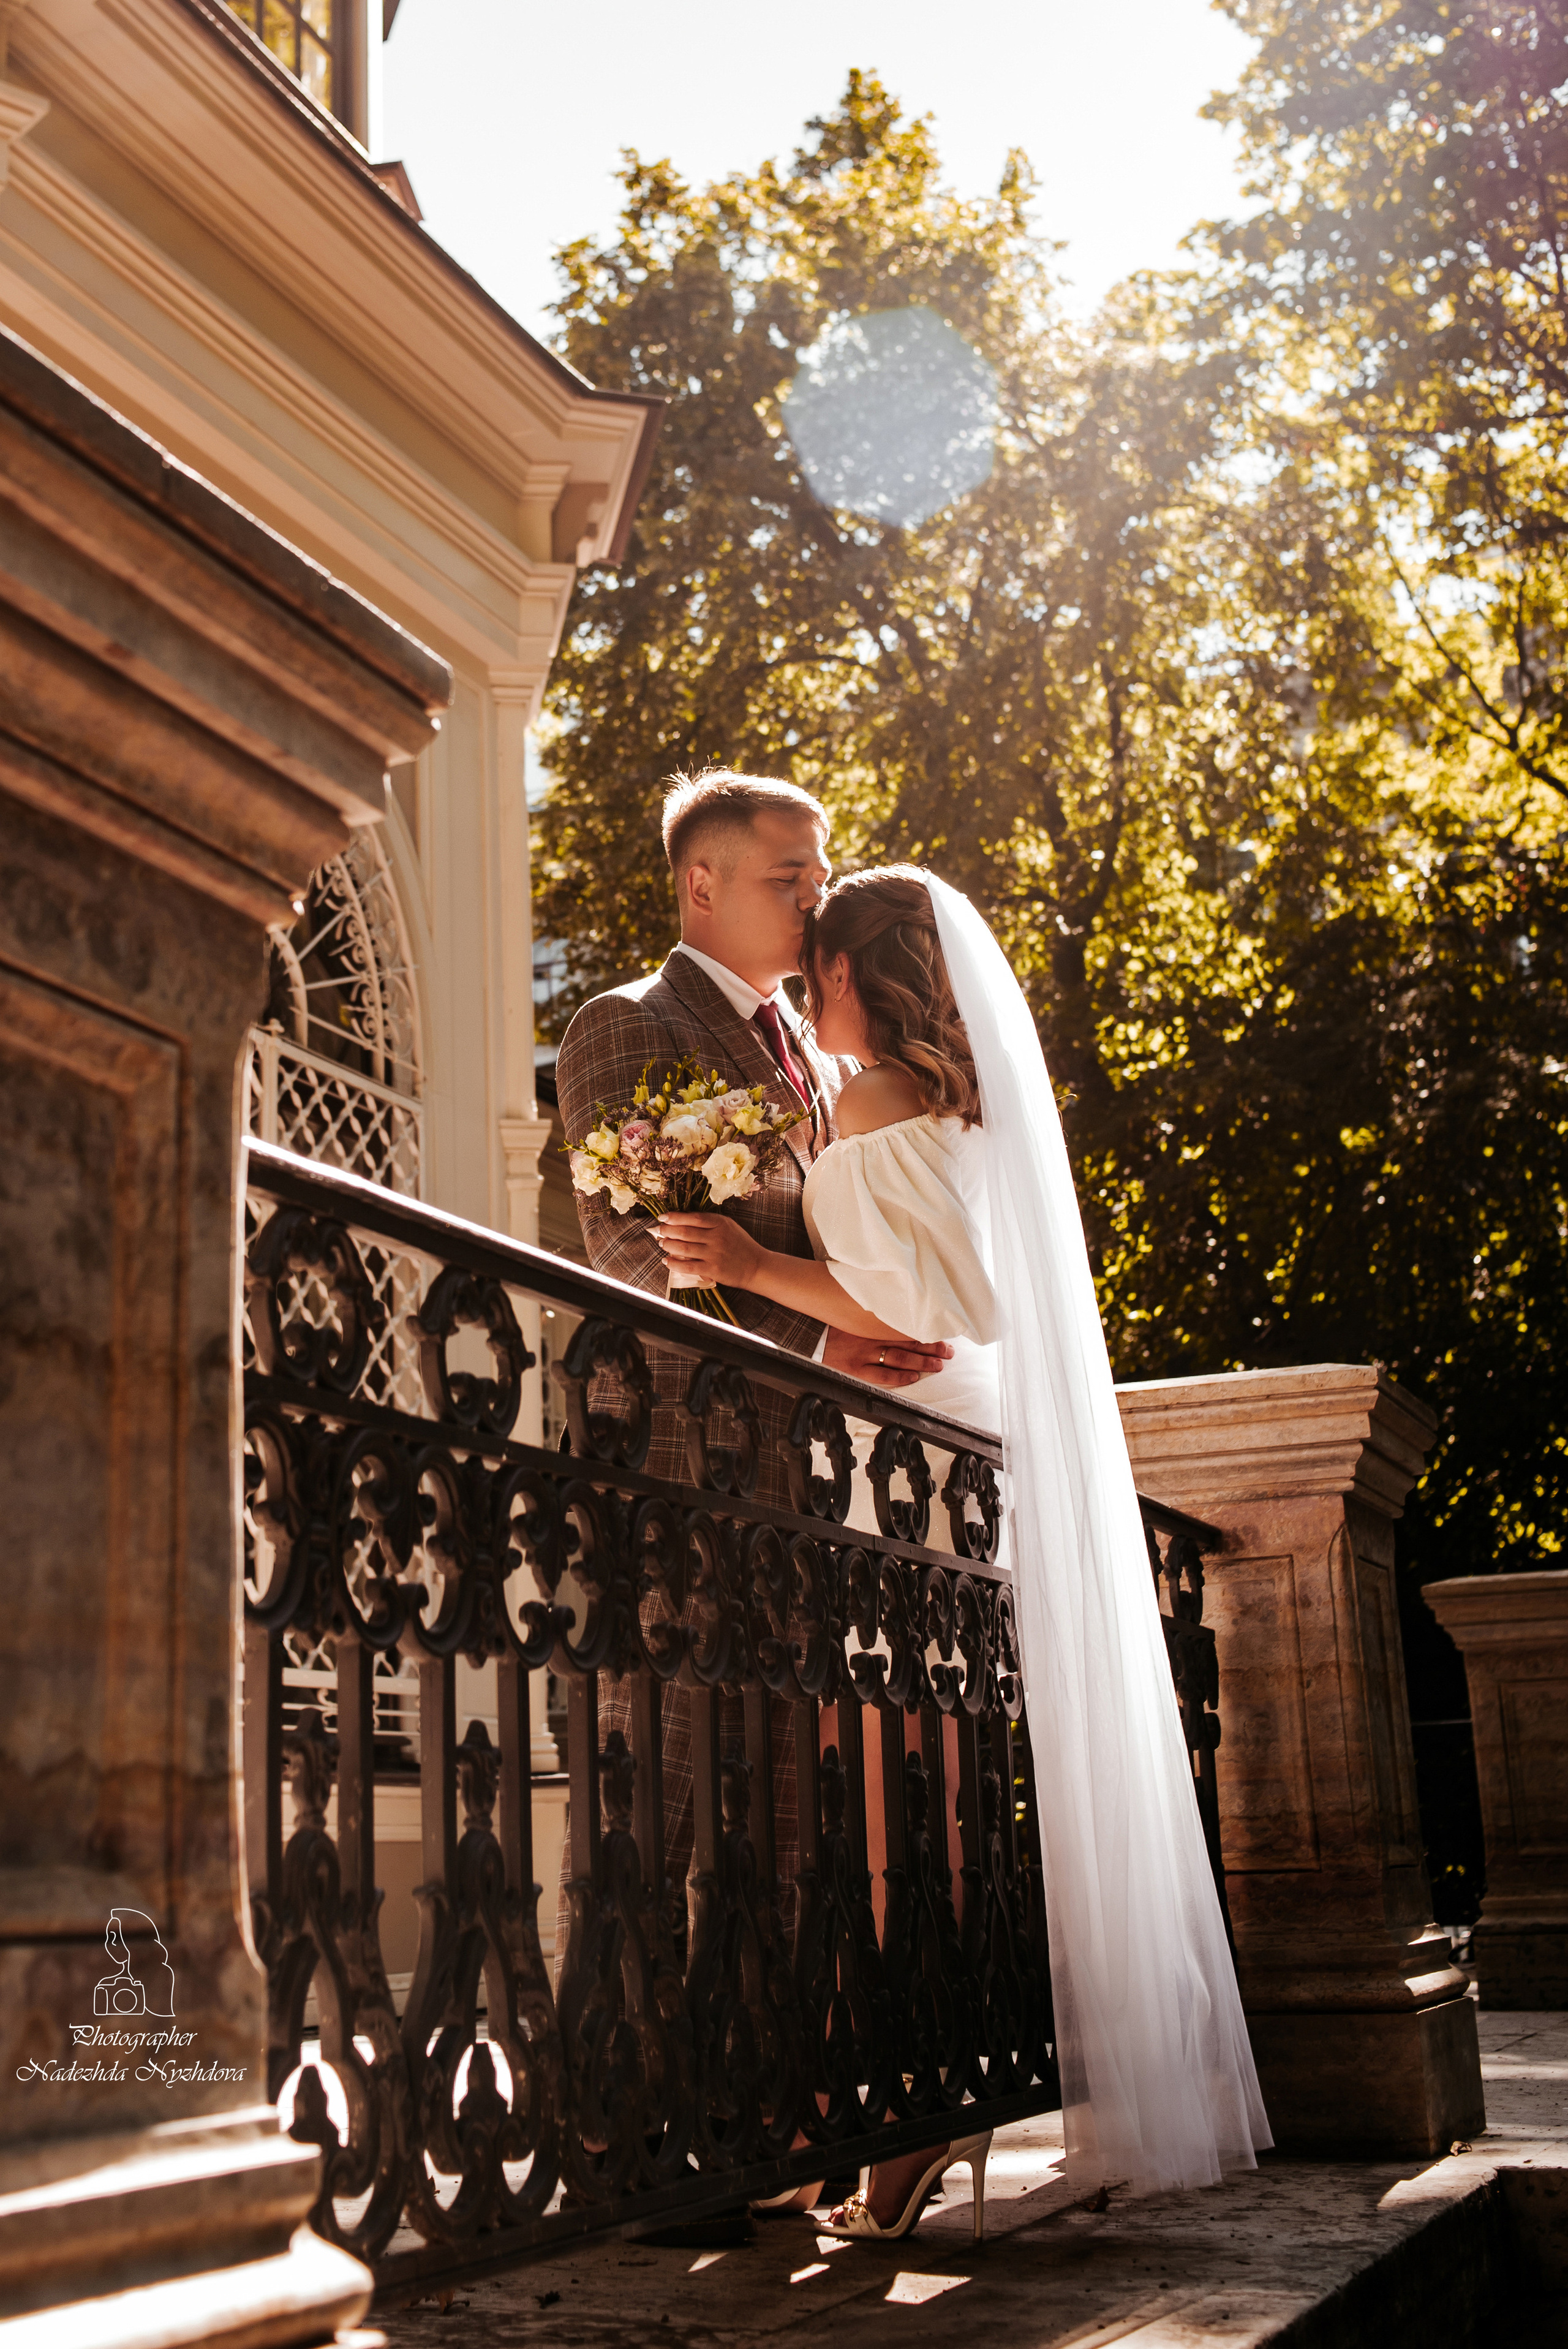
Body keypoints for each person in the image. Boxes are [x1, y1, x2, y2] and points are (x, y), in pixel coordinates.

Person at [657, 864, 1272, 2237]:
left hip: (904, 1479)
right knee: (933, 1810)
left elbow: (911, 1310)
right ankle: (898, 2120)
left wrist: (748, 1271)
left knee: (879, 1821)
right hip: (979, 1481)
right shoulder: (971, 1115)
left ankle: (893, 2127)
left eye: (819, 970)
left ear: (860, 980)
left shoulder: (875, 1106)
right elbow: (969, 1302)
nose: (807, 991)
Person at [552, 776, 952, 2014]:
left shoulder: (829, 1059)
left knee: (778, 1812)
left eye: (819, 875)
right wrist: (822, 1342)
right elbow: (633, 1257)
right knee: (652, 1801)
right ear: (701, 884)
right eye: (789, 876)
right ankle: (618, 2118)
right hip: (675, 1464)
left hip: (813, 1477)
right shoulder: (622, 1024)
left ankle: (749, 2110)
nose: (813, 897)